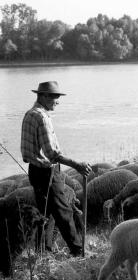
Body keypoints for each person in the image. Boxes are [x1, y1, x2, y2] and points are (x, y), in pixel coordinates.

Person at [21, 81, 92, 256]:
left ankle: (43, 253)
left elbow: (26, 151)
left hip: (35, 171)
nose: (57, 101)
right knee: (64, 211)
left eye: (58, 97)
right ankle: (78, 250)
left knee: (45, 214)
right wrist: (77, 164)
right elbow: (52, 153)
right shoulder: (42, 117)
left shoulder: (29, 114)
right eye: (54, 97)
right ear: (43, 96)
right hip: (47, 173)